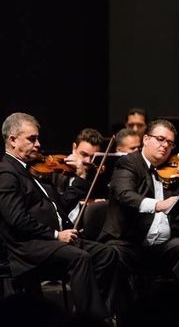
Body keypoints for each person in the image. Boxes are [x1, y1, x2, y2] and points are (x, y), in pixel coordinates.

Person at [0, 112, 117, 319]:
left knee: (108, 254)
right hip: (28, 247)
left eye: (37, 138)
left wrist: (81, 176)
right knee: (80, 258)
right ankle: (92, 320)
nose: (38, 144)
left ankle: (95, 310)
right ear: (12, 140)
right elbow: (16, 219)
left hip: (53, 241)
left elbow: (60, 205)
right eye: (31, 139)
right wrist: (56, 234)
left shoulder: (32, 170)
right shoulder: (7, 173)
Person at [98, 119, 179, 314]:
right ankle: (123, 317)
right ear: (146, 139)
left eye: (170, 142)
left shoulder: (174, 169)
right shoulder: (127, 163)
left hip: (162, 244)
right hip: (128, 241)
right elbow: (125, 195)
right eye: (160, 139)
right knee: (115, 256)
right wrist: (158, 205)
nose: (165, 145)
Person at [49, 128, 104, 224]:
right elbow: (59, 210)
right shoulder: (55, 173)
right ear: (74, 148)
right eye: (83, 154)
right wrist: (81, 177)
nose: (88, 161)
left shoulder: (97, 175)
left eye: (93, 157)